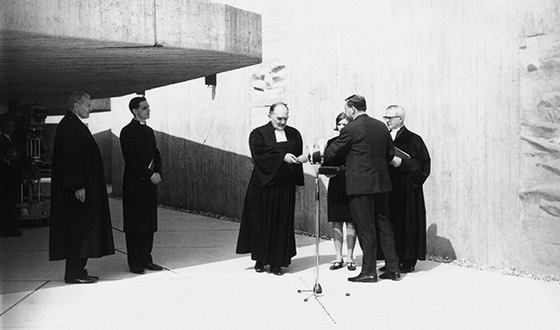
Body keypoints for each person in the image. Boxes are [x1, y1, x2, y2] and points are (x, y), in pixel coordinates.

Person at [322, 94, 401, 282]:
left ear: (352, 109)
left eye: (346, 109)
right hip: (381, 184)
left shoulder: (351, 128)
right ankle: (393, 268)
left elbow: (332, 153)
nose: (346, 112)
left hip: (360, 185)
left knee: (365, 228)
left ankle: (369, 272)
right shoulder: (381, 126)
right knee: (384, 226)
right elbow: (389, 153)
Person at [49, 91, 115, 284]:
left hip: (82, 189)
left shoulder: (73, 124)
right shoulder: (70, 126)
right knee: (78, 230)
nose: (90, 108)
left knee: (81, 230)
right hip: (77, 192)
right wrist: (77, 185)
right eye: (87, 105)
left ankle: (78, 270)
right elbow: (70, 159)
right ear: (76, 105)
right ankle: (74, 273)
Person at [236, 102, 308, 276]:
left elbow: (296, 155)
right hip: (264, 186)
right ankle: (260, 260)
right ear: (270, 115)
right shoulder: (258, 134)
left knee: (282, 223)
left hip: (284, 187)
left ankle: (278, 262)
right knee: (262, 222)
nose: (282, 122)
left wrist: (299, 161)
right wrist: (282, 157)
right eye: (279, 118)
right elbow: (259, 156)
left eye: (285, 118)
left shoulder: (294, 133)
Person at [383, 105, 430, 273]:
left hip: (407, 190)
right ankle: (392, 260)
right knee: (389, 224)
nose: (386, 120)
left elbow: (423, 165)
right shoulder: (384, 138)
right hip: (388, 189)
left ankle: (407, 260)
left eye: (390, 117)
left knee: (406, 224)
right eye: (385, 117)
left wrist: (402, 163)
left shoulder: (413, 139)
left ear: (400, 119)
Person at [120, 96, 164, 275]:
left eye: (148, 107)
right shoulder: (127, 131)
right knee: (135, 224)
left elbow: (156, 154)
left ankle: (147, 259)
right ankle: (135, 262)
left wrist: (158, 172)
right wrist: (149, 175)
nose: (148, 110)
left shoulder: (150, 131)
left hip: (149, 185)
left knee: (149, 222)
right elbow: (131, 160)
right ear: (135, 111)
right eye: (144, 108)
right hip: (135, 185)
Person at [323, 112, 356, 271]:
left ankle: (350, 257)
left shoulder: (354, 142)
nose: (342, 127)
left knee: (351, 222)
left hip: (351, 184)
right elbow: (327, 162)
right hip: (336, 184)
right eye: (340, 124)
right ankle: (338, 257)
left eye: (345, 124)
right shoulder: (331, 142)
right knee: (336, 221)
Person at [0, 113, 23, 237]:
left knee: (11, 204)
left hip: (12, 177)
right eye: (8, 125)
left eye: (12, 125)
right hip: (6, 178)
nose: (11, 128)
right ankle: (7, 229)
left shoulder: (11, 139)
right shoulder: (2, 141)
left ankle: (10, 227)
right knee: (7, 204)